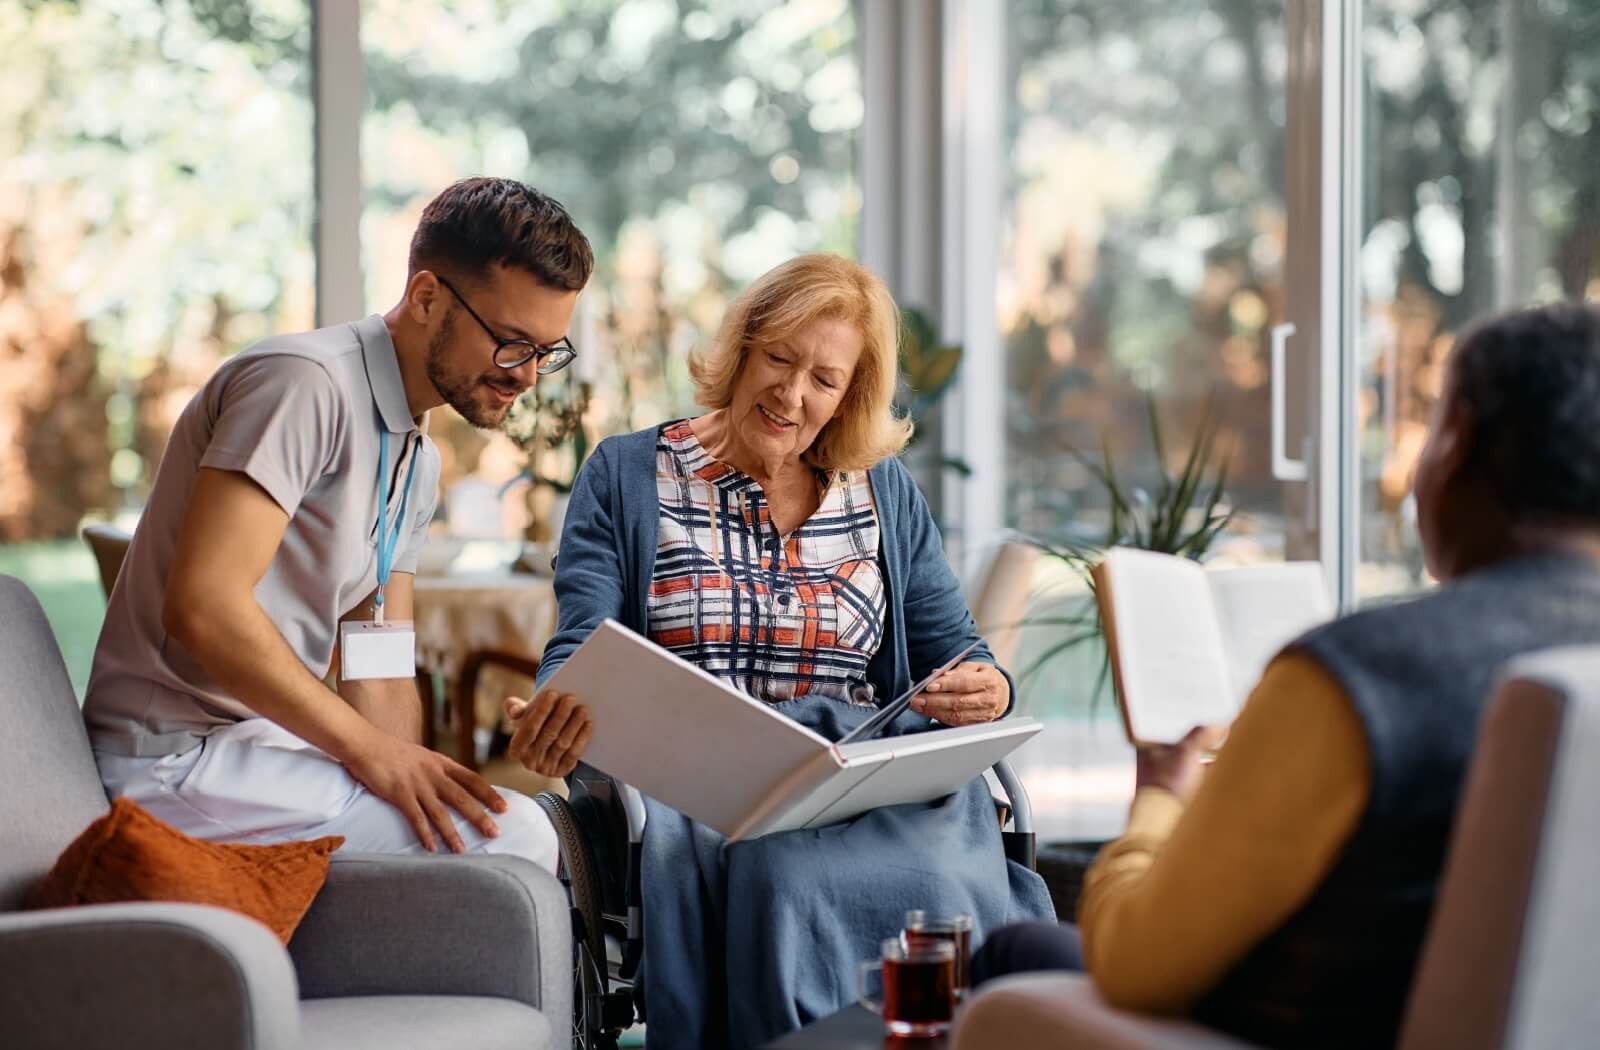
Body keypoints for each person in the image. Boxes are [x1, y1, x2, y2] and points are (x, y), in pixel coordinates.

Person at [970, 301, 1600, 1049]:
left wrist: (1162, 796)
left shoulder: (1365, 675)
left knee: (1013, 951)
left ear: (1457, 438)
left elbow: (1136, 962)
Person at [506, 252, 1054, 1048]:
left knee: (932, 884)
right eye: (780, 359)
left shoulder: (885, 490)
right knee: (778, 879)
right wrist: (558, 708)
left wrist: (988, 690)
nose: (793, 395)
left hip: (869, 784)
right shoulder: (628, 475)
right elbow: (580, 648)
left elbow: (961, 653)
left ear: (849, 396)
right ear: (743, 347)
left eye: (824, 380)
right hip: (711, 791)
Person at [83, 177, 595, 872]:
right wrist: (371, 755)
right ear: (425, 297)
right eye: (512, 344)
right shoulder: (302, 385)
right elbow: (204, 606)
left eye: (545, 352)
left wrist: (409, 772)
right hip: (171, 760)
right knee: (522, 841)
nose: (528, 377)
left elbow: (377, 657)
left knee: (508, 822)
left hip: (262, 753)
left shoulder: (416, 458)